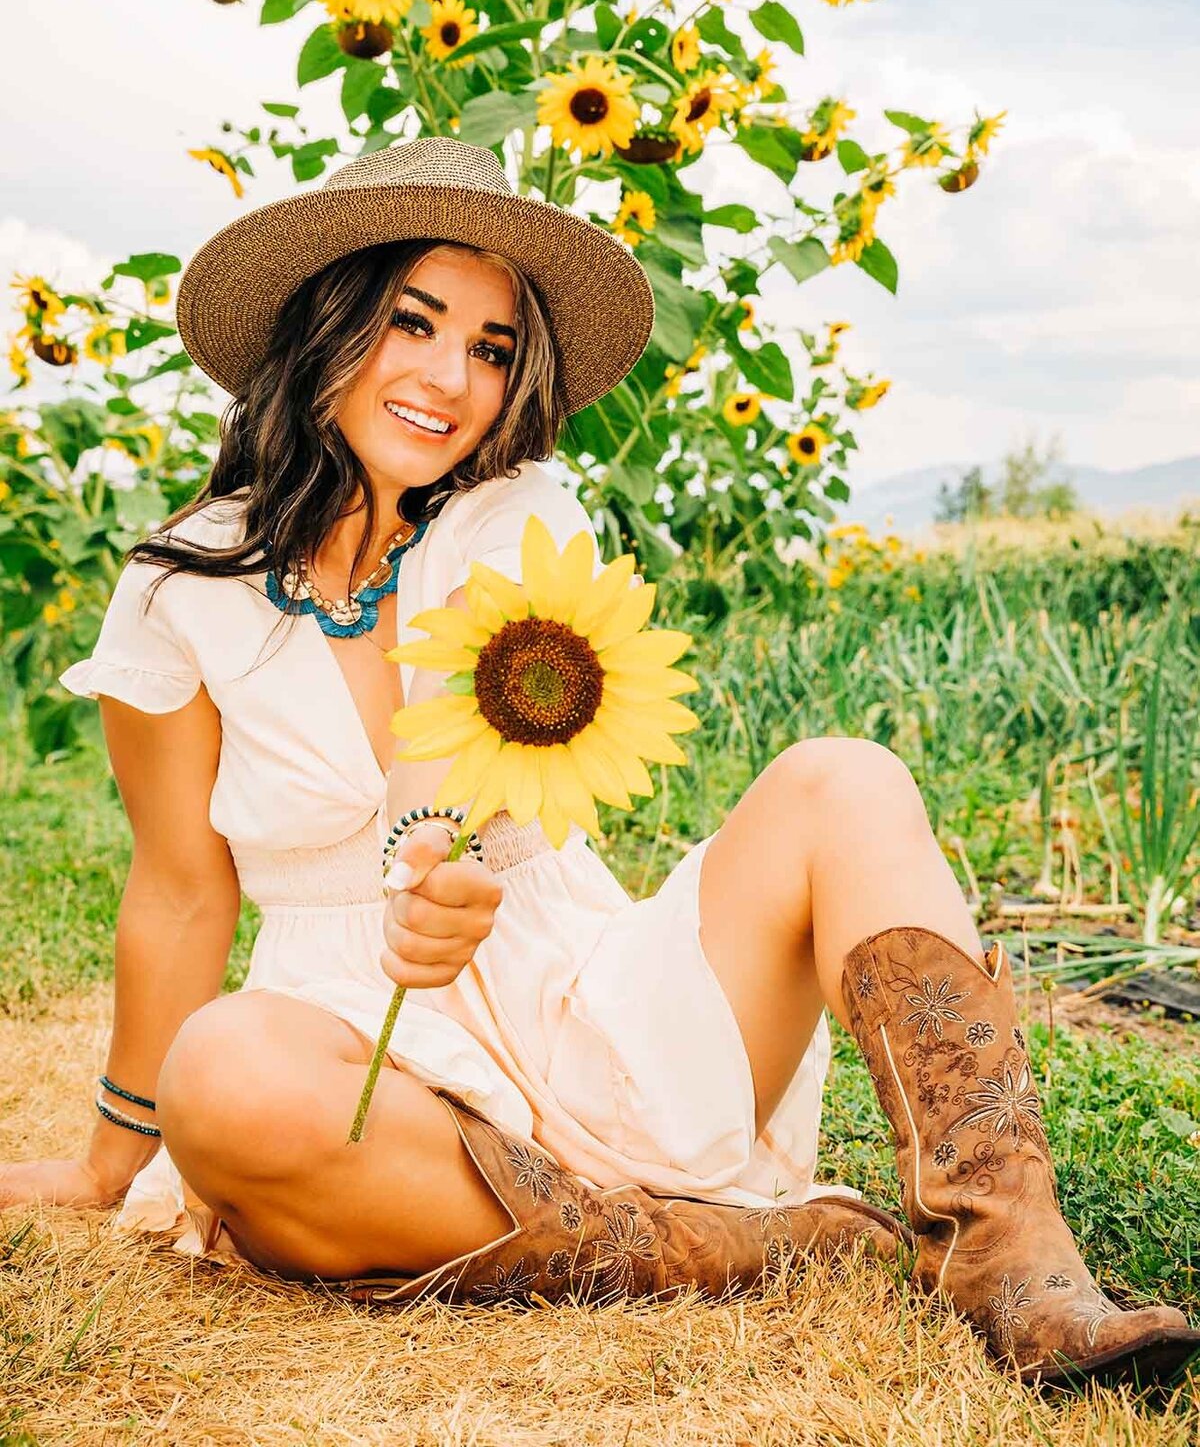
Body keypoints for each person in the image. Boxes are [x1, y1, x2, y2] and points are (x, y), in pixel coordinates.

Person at [1, 137, 1194, 1390]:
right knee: (228, 1073)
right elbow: (182, 890)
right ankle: (722, 1246)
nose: (451, 377)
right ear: (326, 323)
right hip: (356, 1056)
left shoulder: (519, 515)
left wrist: (437, 874)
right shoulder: (184, 582)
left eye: (493, 348)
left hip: (592, 1006)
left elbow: (446, 771)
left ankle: (1012, 1263)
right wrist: (105, 1164)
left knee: (841, 778)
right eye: (414, 323)